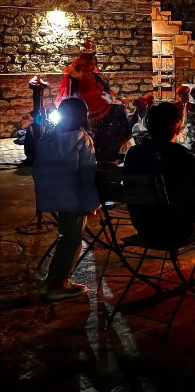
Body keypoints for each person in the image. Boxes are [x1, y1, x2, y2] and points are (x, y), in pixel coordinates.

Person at [123, 102, 195, 249]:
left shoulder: (133, 154)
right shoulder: (183, 156)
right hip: (180, 232)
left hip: (145, 229)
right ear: (176, 127)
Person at [33, 98, 100, 301]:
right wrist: (92, 203)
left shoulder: (48, 138)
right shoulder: (82, 139)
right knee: (72, 239)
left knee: (65, 235)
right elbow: (88, 175)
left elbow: (38, 169)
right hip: (74, 198)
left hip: (52, 196)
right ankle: (58, 283)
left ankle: (53, 279)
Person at [55, 41, 131, 162]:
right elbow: (71, 94)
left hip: (100, 106)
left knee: (119, 111)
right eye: (91, 62)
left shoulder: (93, 76)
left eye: (94, 63)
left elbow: (106, 88)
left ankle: (111, 150)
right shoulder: (74, 77)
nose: (93, 65)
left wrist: (120, 99)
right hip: (84, 108)